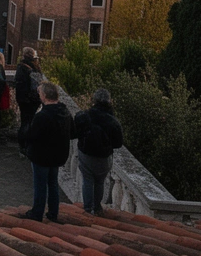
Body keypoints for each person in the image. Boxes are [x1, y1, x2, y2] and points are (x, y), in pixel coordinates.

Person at [19, 82, 73, 222]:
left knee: (40, 185)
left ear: (44, 96)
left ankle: (37, 213)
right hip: (58, 155)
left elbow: (31, 135)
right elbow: (72, 132)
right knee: (53, 184)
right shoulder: (65, 112)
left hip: (41, 156)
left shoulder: (42, 116)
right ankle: (53, 213)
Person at [72, 88, 124, 215]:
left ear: (94, 100)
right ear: (109, 101)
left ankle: (88, 208)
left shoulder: (84, 116)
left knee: (87, 181)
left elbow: (73, 133)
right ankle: (97, 207)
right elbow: (118, 143)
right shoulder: (113, 122)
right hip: (104, 158)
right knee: (100, 181)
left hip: (86, 154)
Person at [15, 48, 43, 157]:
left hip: (22, 99)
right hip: (32, 100)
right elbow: (38, 84)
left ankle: (22, 147)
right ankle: (26, 146)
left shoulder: (20, 67)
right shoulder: (34, 68)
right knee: (29, 122)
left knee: (24, 122)